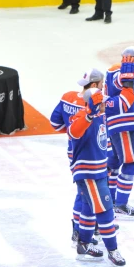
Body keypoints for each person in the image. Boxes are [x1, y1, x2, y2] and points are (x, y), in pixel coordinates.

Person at [68, 67, 134, 267]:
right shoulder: (82, 117)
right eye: (101, 101)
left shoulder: (102, 115)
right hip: (88, 173)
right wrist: (89, 114)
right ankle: (113, 250)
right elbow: (74, 131)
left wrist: (131, 73)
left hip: (98, 170)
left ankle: (83, 245)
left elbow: (125, 101)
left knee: (88, 208)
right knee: (105, 210)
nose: (105, 103)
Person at [50, 69, 102, 247]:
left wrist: (72, 134)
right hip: (90, 153)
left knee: (84, 191)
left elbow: (55, 123)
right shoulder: (94, 103)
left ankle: (84, 227)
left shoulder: (67, 97)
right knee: (86, 193)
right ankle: (80, 229)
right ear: (95, 85)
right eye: (101, 84)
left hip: (73, 150)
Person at [105, 45, 134, 219]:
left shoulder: (116, 69)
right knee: (131, 162)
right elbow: (121, 79)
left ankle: (111, 203)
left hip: (116, 124)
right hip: (123, 124)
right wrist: (130, 65)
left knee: (114, 163)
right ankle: (120, 205)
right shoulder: (118, 71)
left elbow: (125, 75)